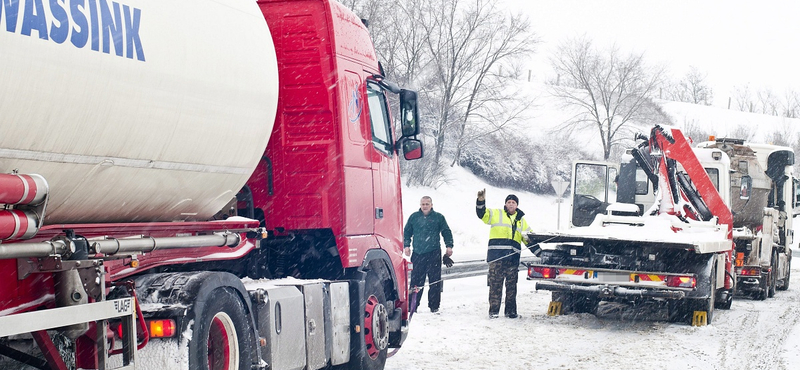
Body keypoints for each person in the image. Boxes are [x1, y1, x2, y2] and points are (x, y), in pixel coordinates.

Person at [475, 189, 532, 319]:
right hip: (497, 258)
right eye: (509, 202)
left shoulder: (521, 221)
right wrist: (480, 201)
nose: (511, 204)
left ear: (517, 205)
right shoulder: (496, 214)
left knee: (512, 287)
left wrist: (541, 253)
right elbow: (481, 213)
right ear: (505, 204)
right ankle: (494, 312)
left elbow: (529, 239)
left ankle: (511, 312)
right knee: (495, 286)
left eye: (513, 202)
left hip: (513, 259)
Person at [404, 196, 454, 314]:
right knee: (416, 282)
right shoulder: (414, 217)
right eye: (423, 204)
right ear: (420, 205)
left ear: (431, 205)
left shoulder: (438, 217)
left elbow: (446, 231)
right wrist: (406, 245)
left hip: (433, 253)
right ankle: (413, 306)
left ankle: (434, 307)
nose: (425, 206)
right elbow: (407, 232)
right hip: (418, 254)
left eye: (427, 204)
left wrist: (449, 246)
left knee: (435, 281)